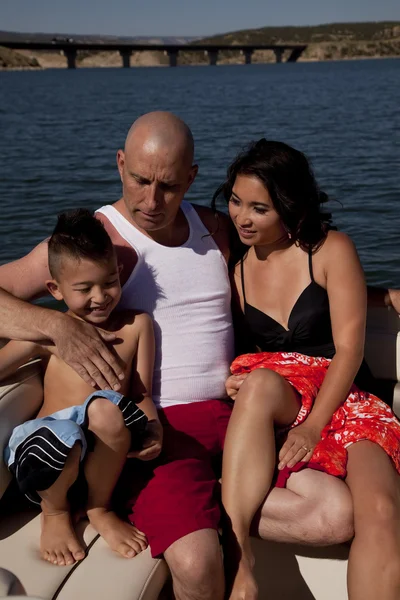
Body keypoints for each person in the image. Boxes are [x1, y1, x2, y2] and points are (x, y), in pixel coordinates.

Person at [0, 111, 393, 599]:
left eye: (168, 185)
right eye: (140, 180)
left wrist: (382, 297)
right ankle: (194, 513)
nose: (151, 200)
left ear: (192, 176)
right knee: (197, 563)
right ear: (120, 165)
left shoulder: (218, 230)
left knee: (336, 515)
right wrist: (56, 325)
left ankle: (218, 505)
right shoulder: (100, 242)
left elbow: (291, 265)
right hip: (158, 434)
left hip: (242, 423)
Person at [215, 139, 400, 600]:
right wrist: (230, 380)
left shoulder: (330, 249)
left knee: (379, 508)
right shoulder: (234, 270)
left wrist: (315, 426)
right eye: (236, 201)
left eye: (259, 208)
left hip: (346, 400)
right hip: (281, 394)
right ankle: (239, 553)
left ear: (290, 208)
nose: (242, 217)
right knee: (258, 383)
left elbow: (350, 349)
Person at [1, 209, 162, 567]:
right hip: (47, 453)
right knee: (67, 435)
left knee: (106, 408)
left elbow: (139, 393)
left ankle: (99, 507)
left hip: (101, 457)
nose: (100, 296)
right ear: (55, 290)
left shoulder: (138, 326)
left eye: (108, 282)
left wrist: (153, 427)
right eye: (84, 288)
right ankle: (55, 514)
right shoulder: (47, 334)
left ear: (119, 273)